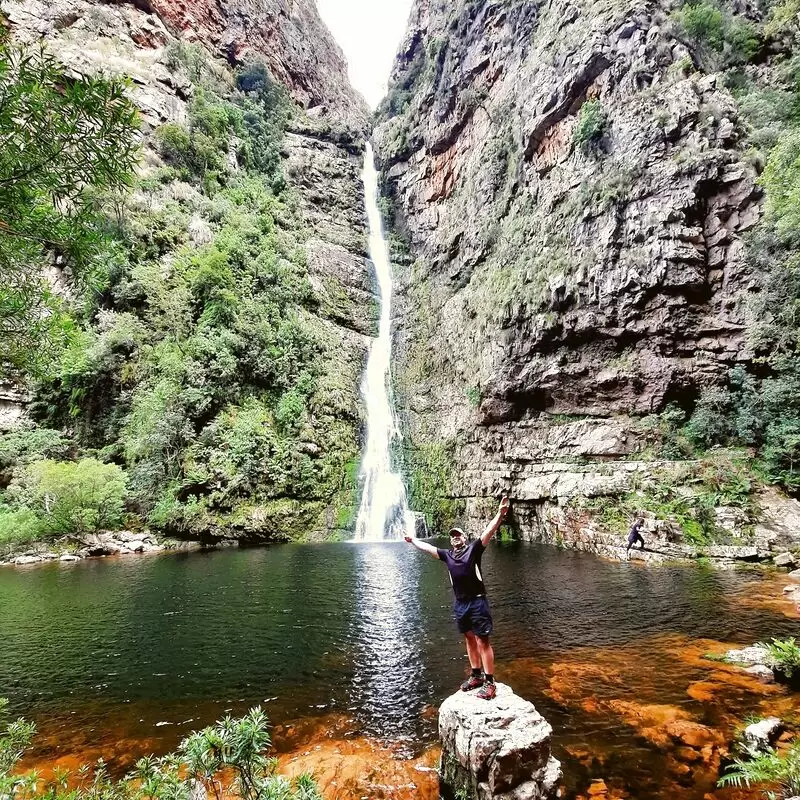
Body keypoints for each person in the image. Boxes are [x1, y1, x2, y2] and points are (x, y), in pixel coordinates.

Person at [404, 496, 511, 700]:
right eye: (452, 536)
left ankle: (490, 682)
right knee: (469, 638)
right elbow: (428, 549)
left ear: (464, 538)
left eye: (458, 535)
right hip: (461, 603)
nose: (455, 538)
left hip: (478, 601)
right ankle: (476, 675)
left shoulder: (474, 549)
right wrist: (413, 541)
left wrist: (500, 514)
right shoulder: (447, 555)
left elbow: (489, 530)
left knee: (483, 640)